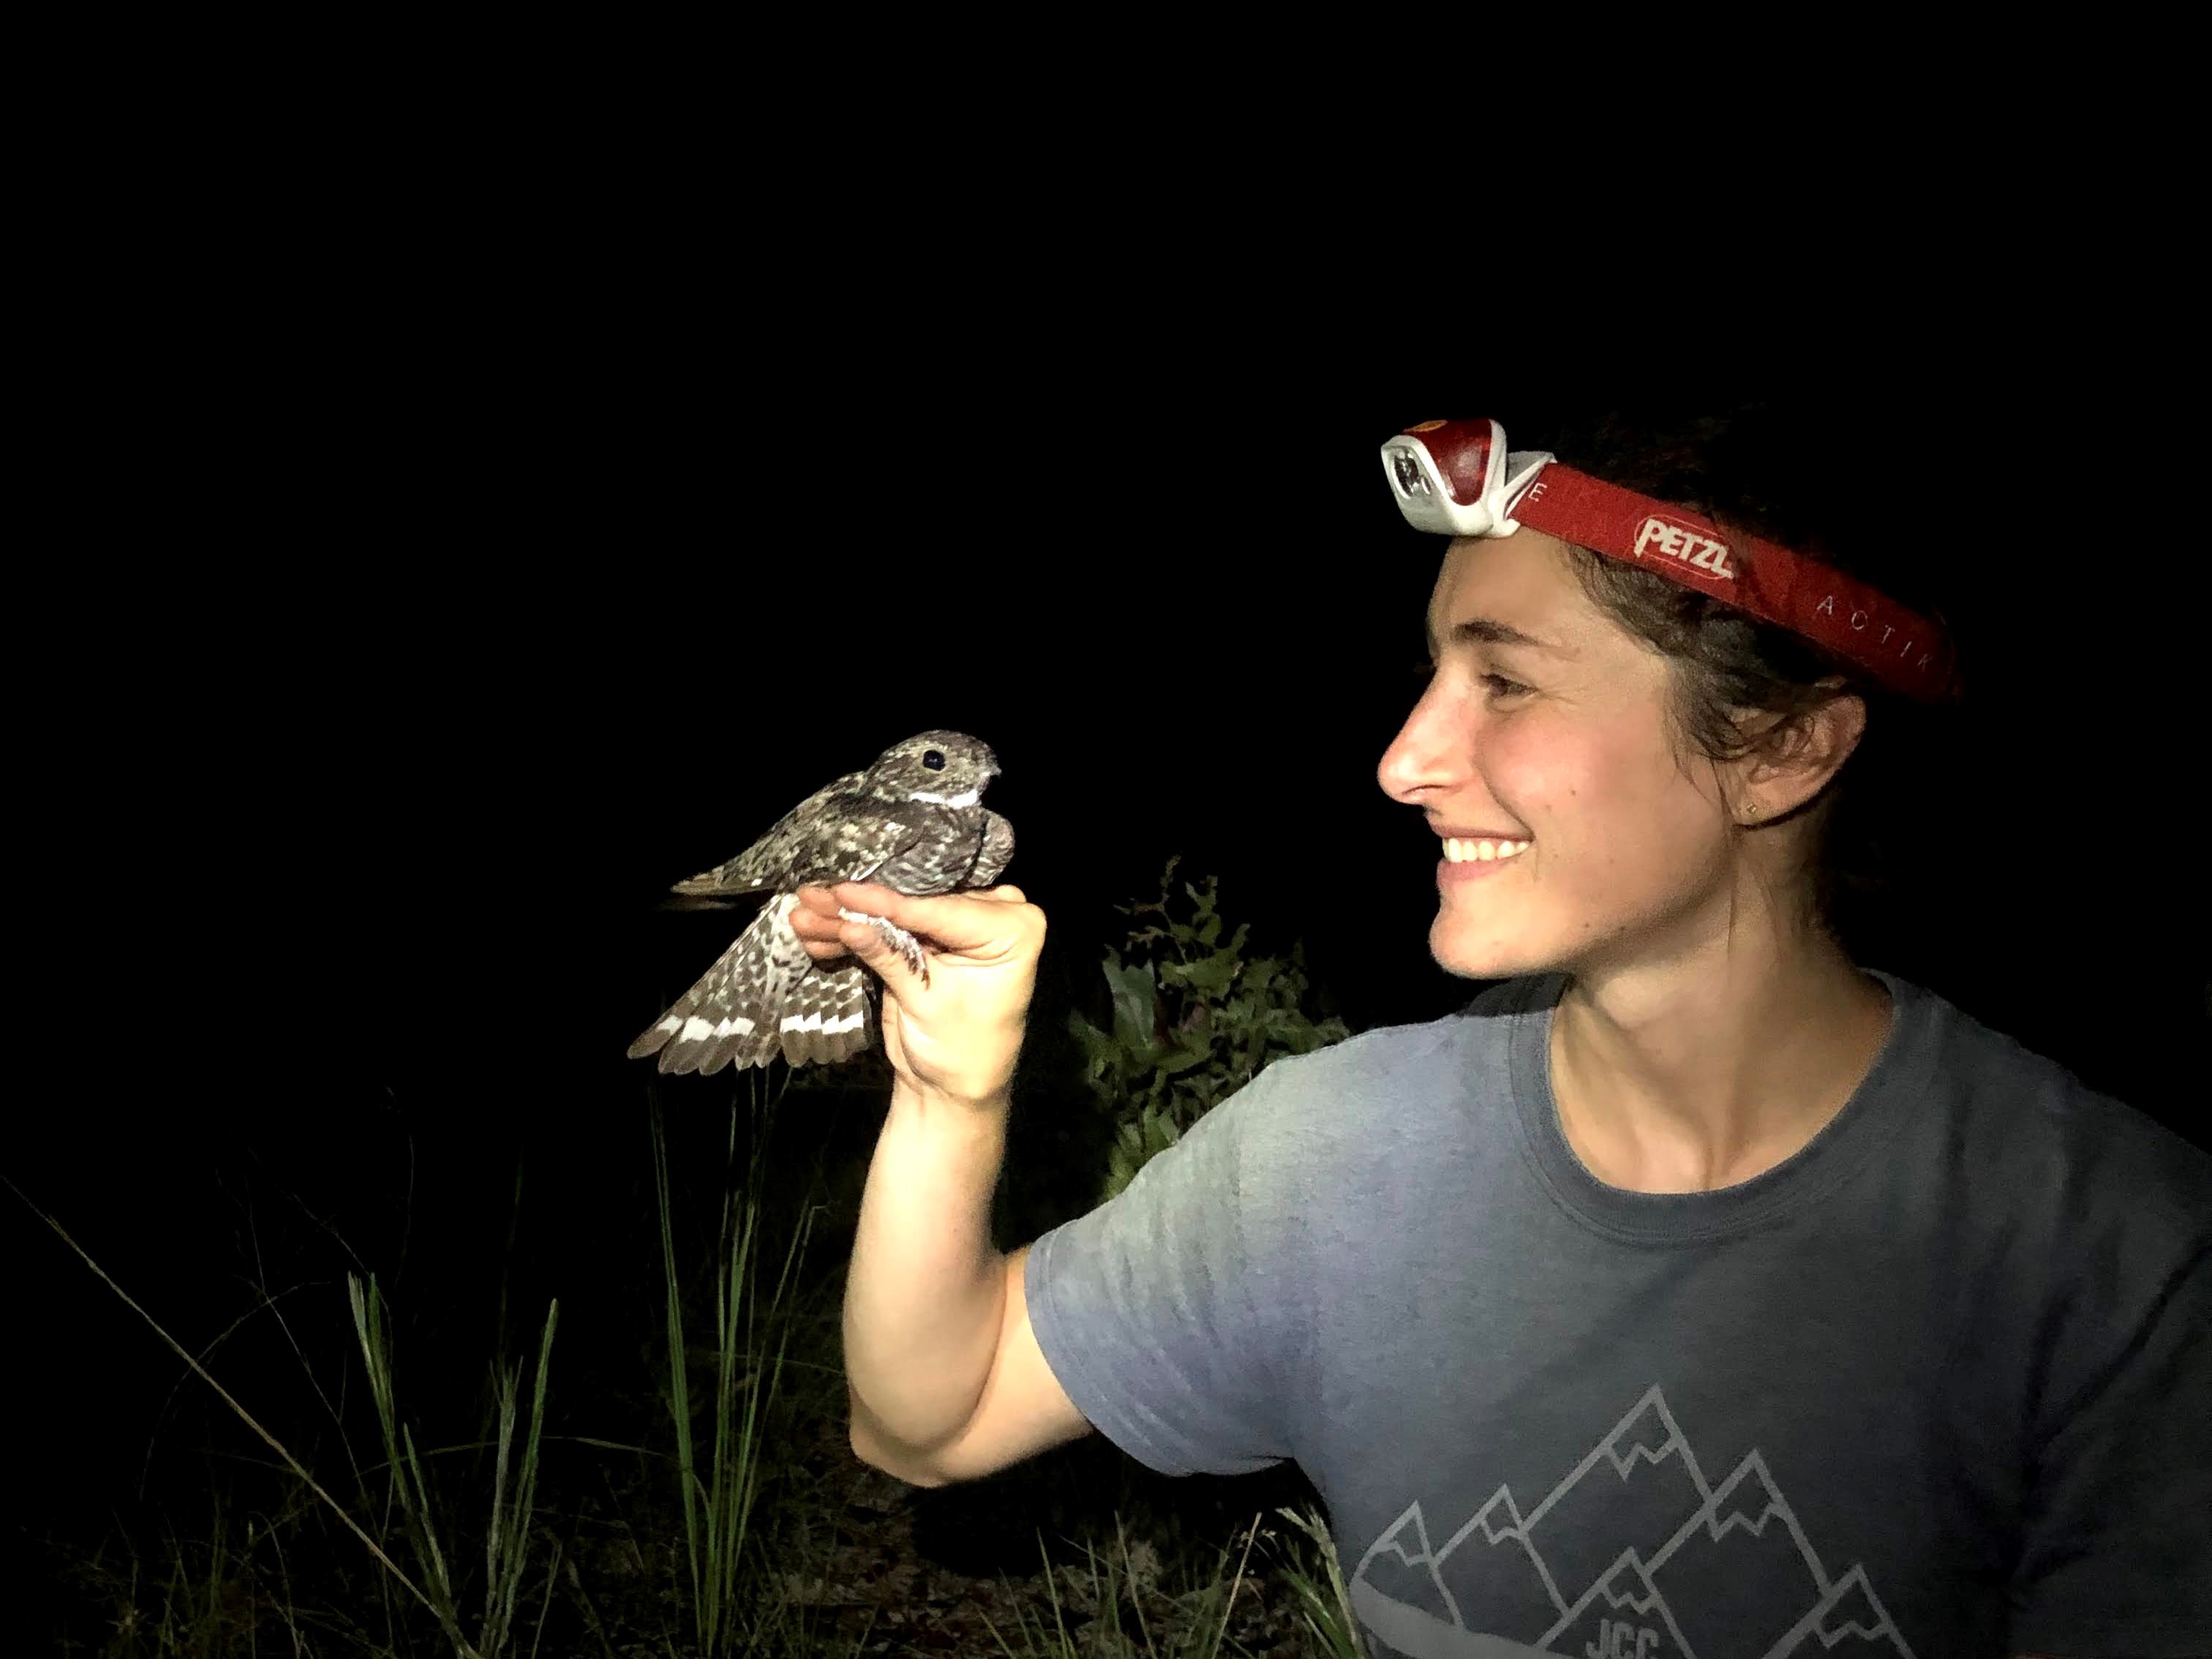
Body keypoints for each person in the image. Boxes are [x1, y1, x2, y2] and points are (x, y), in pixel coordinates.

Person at [794, 407, 2211, 1658]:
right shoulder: (1341, 1158)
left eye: (1508, 681)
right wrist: (948, 1096)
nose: (1404, 759)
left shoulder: (2109, 1255)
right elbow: (929, 1413)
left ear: (1786, 748)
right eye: (1430, 673)